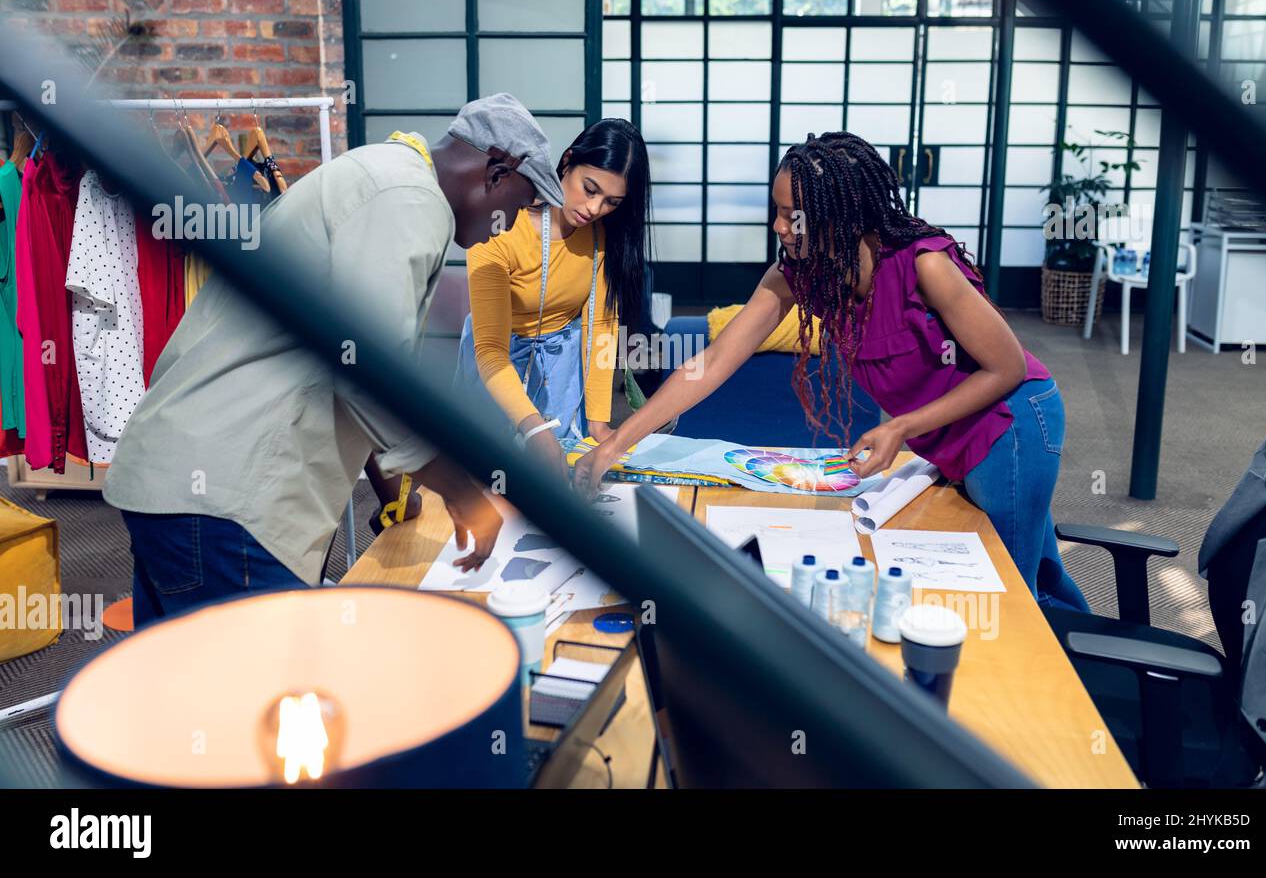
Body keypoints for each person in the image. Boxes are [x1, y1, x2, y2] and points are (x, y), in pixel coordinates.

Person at [574, 131, 1088, 611]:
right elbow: (709, 364)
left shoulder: (924, 265)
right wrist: (617, 445)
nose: (779, 227)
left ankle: (1073, 672)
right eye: (776, 211)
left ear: (839, 215)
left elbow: (1006, 368)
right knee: (1044, 577)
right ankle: (1094, 664)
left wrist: (901, 427)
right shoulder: (796, 275)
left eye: (792, 215)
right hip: (945, 431)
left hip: (1007, 422)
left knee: (1010, 590)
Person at [104, 93, 566, 627]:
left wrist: (395, 491)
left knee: (186, 677)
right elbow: (369, 373)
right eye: (519, 206)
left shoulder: (382, 177)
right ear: (497, 172)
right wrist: (464, 495)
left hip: (178, 482)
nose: (507, 227)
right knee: (267, 677)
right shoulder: (407, 199)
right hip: (226, 502)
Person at [453, 118, 651, 477]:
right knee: (485, 474)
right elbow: (491, 352)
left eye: (612, 202)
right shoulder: (498, 227)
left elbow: (600, 327)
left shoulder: (601, 235)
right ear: (568, 161)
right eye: (589, 189)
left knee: (555, 473)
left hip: (561, 366)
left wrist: (598, 423)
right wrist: (534, 430)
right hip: (496, 364)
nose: (594, 209)